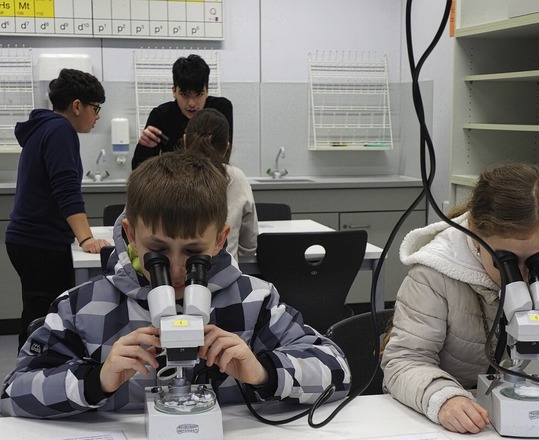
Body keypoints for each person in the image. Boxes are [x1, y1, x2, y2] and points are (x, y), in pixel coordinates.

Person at [0, 151, 350, 419]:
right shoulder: (81, 308)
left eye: (194, 253)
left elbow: (338, 370)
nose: (178, 269)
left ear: (219, 241)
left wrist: (264, 373)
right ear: (130, 235)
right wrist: (96, 380)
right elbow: (12, 392)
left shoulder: (254, 302)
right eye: (158, 252)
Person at [382, 163, 539, 435]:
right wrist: (444, 398)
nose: (522, 275)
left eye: (537, 260)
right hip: (446, 416)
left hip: (499, 418)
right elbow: (405, 360)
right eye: (506, 261)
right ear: (475, 233)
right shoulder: (434, 274)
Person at [5, 68, 111, 351]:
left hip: (26, 241)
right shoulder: (60, 130)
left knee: (37, 313)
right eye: (96, 108)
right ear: (78, 106)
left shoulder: (43, 127)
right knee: (44, 319)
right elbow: (65, 189)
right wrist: (86, 238)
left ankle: (30, 370)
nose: (97, 116)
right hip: (39, 243)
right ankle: (30, 376)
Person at [131, 54, 233, 170]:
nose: (192, 103)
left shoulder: (219, 109)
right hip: (173, 183)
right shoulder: (161, 115)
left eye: (199, 95)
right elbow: (138, 171)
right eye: (184, 95)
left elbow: (223, 159)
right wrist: (144, 148)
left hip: (213, 181)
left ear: (207, 91)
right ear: (174, 91)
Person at [184, 108, 258, 261]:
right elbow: (249, 244)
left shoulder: (166, 175)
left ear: (185, 141)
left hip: (175, 277)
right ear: (226, 147)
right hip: (226, 277)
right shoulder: (236, 178)